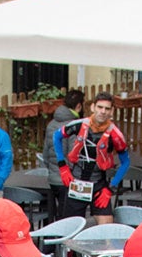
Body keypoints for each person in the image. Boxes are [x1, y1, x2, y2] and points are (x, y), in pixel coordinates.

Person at [51, 94, 131, 224]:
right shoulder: (79, 124)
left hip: (99, 185)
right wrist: (62, 166)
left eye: (107, 108)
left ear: (111, 111)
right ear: (93, 107)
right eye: (100, 107)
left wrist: (111, 188)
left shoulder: (116, 134)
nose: (103, 111)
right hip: (77, 182)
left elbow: (126, 162)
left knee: (106, 226)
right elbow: (56, 136)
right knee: (70, 227)